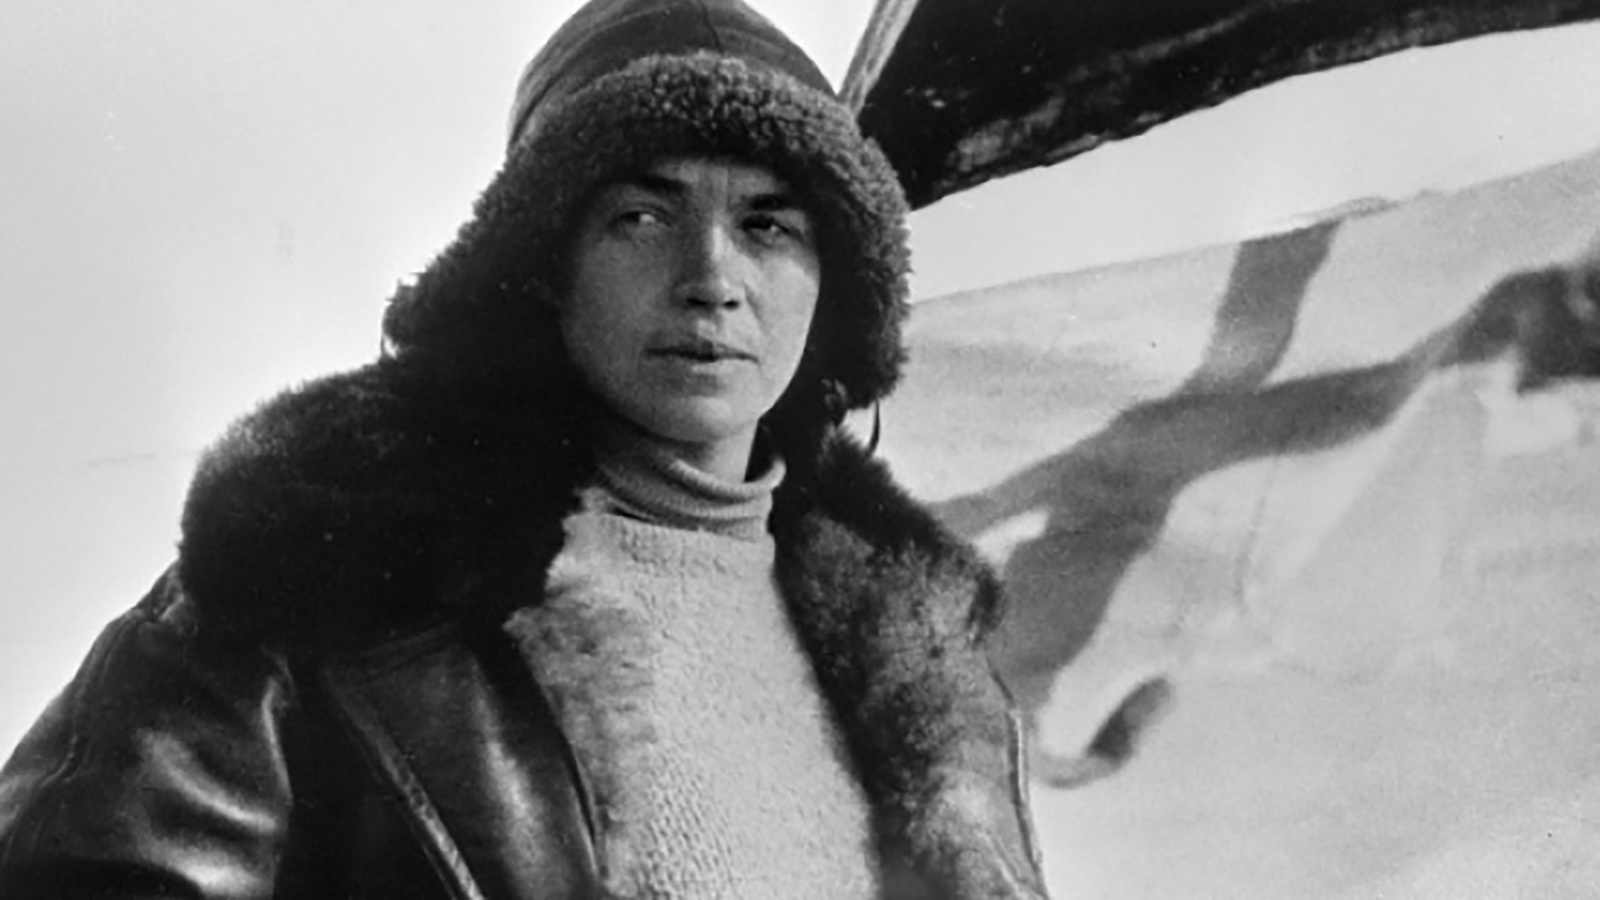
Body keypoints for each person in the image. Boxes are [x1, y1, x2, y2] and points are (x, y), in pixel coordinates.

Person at [0, 1, 1050, 897]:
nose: (711, 278)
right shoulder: (311, 587)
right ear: (545, 262)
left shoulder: (925, 668)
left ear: (837, 281)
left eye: (769, 226)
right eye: (642, 216)